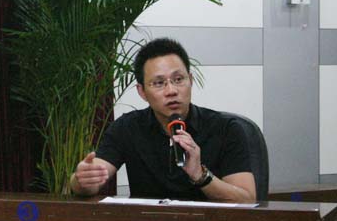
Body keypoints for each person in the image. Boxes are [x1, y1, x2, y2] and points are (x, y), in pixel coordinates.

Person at [70, 38, 257, 203]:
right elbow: (92, 181)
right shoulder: (127, 127)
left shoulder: (226, 129)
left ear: (191, 80)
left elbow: (247, 199)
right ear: (142, 92)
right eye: (159, 83)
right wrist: (81, 180)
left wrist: (200, 175)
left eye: (178, 79)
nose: (171, 91)